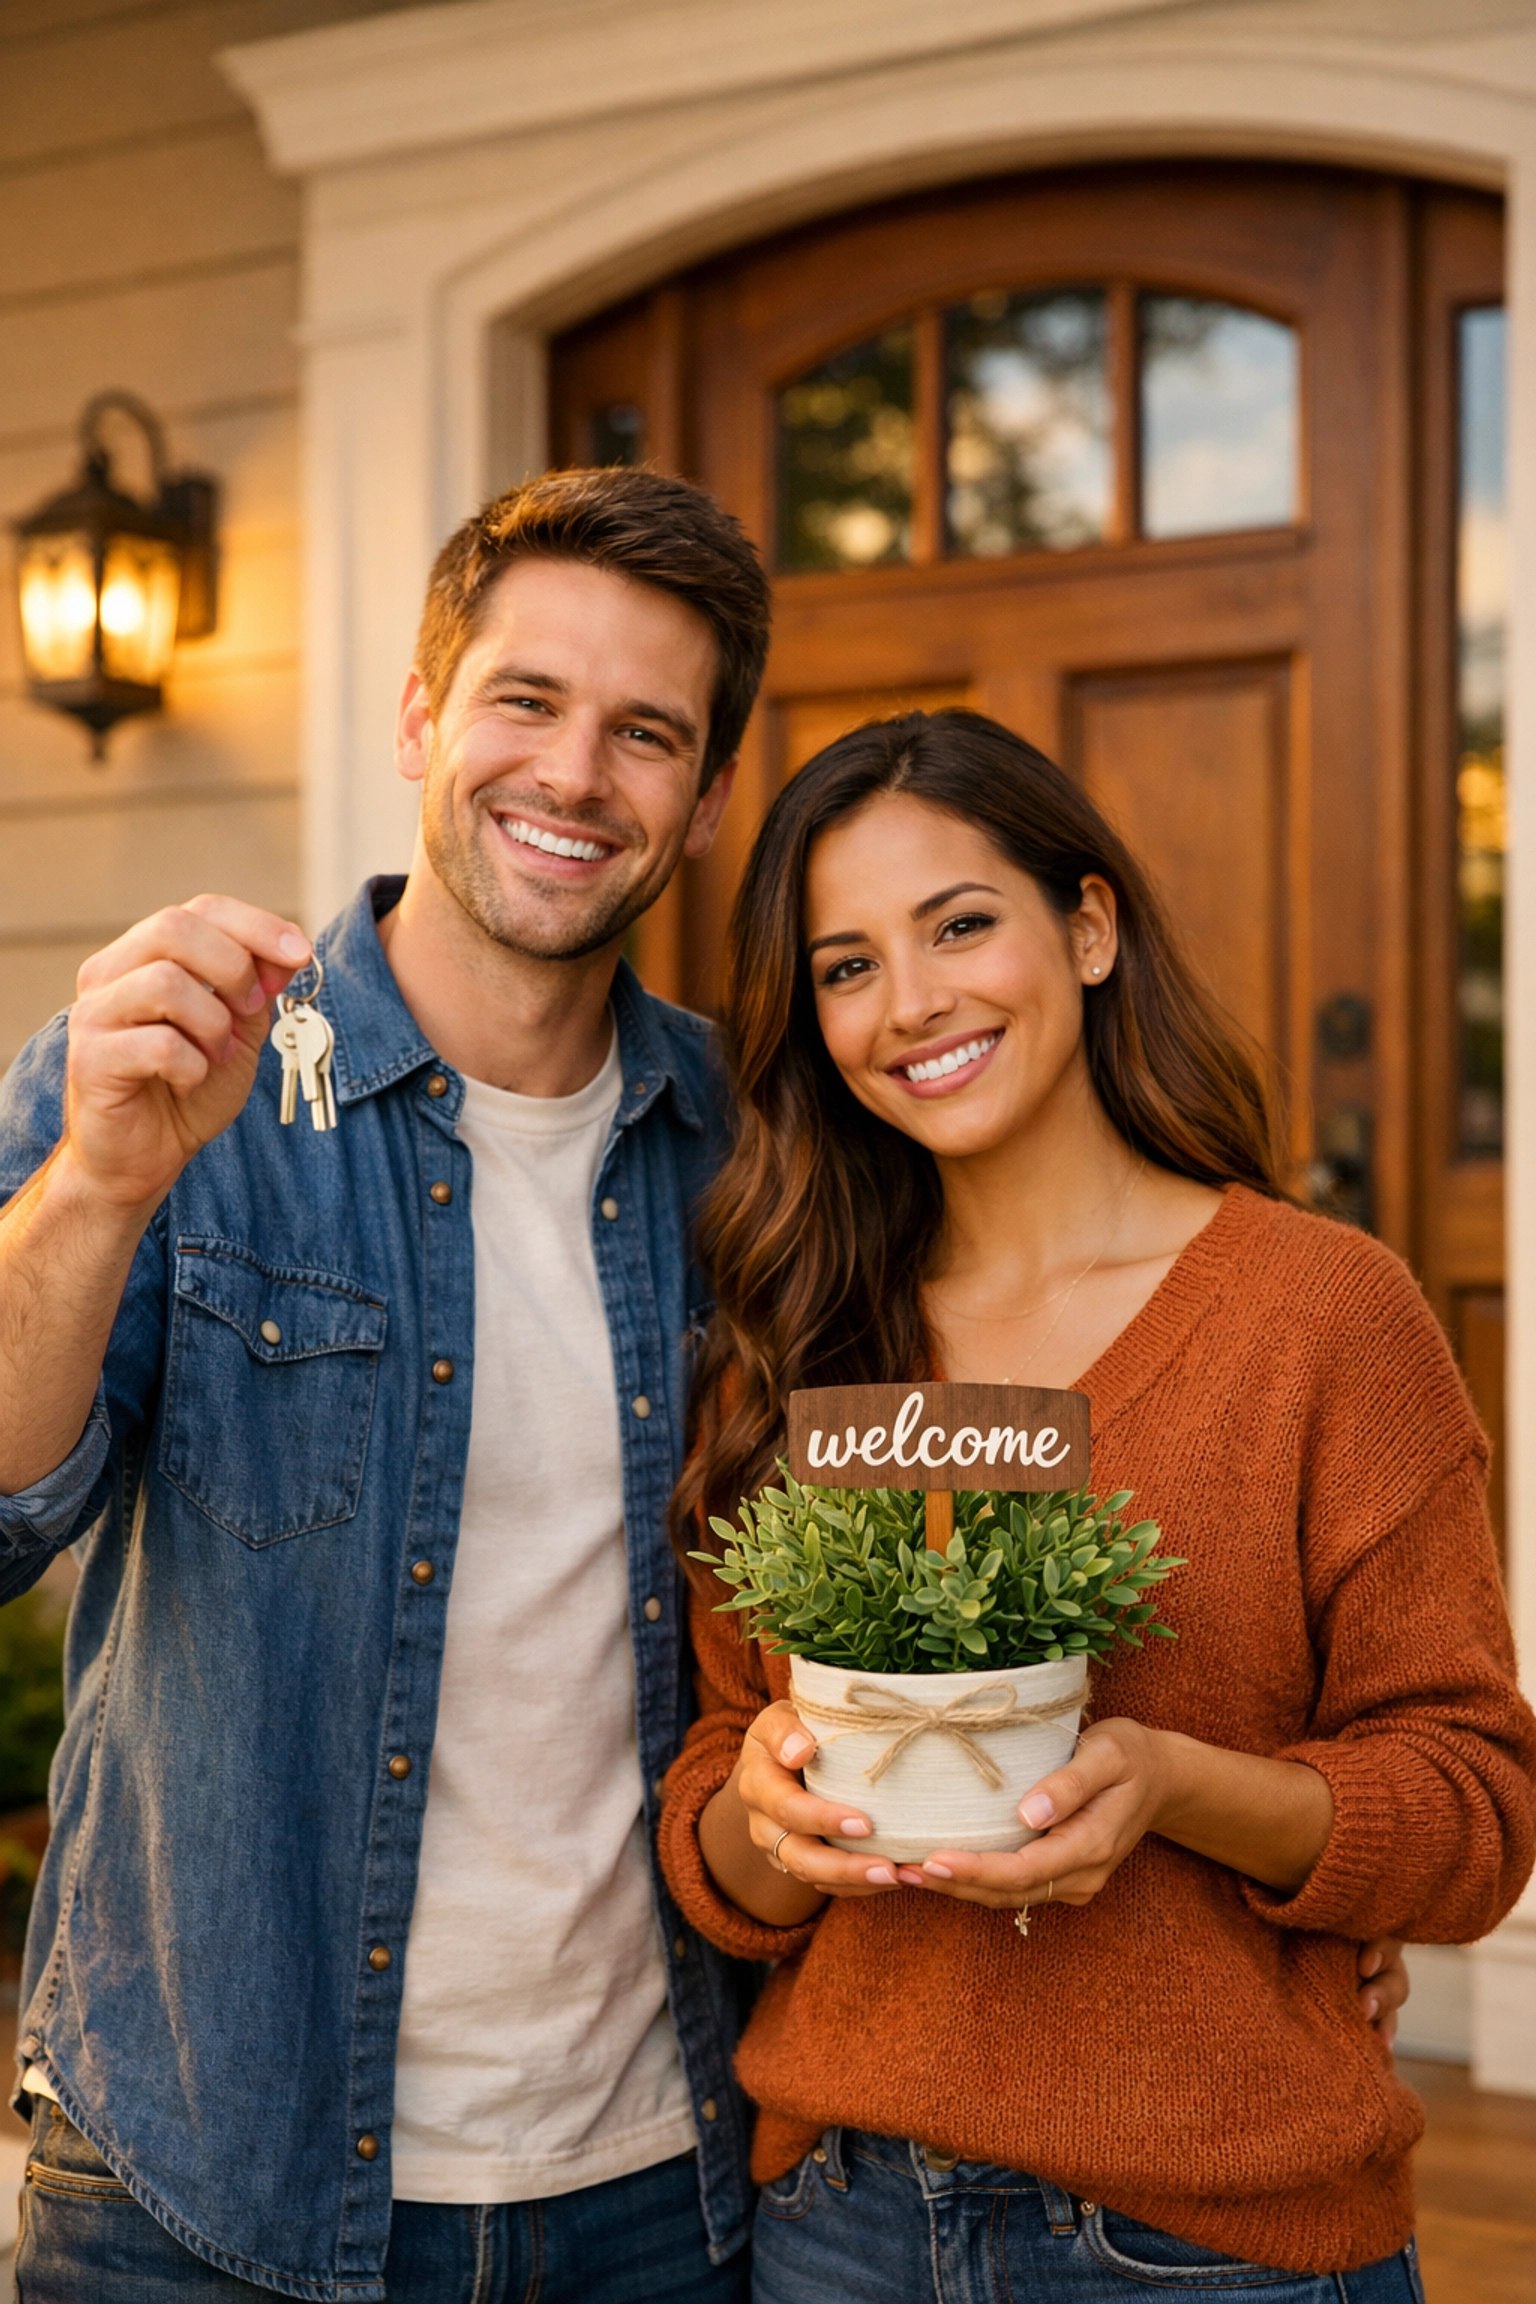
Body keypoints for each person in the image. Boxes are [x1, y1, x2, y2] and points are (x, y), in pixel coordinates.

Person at [0, 468, 771, 2302]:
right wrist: (102, 1183)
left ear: (708, 794)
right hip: (204, 2179)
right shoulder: (166, 1076)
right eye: (527, 700)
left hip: (657, 2183)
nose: (576, 775)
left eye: (645, 731)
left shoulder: (750, 1145)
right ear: (424, 714)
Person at [658, 710, 1536, 2304]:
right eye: (846, 967)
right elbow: (721, 1803)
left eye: (960, 925)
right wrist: (774, 1821)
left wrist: (1172, 1785)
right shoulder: (793, 1341)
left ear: (1089, 924)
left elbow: (1472, 1813)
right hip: (841, 2229)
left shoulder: (1324, 1316)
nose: (910, 1003)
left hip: (1214, 2241)